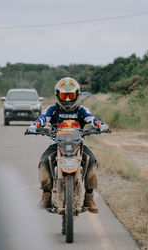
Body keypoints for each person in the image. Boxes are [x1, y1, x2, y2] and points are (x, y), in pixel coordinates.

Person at [27, 77, 109, 213]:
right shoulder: (52, 110)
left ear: (76, 95)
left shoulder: (81, 110)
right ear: (57, 95)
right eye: (64, 96)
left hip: (78, 144)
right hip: (56, 144)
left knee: (92, 162)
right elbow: (41, 119)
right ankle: (46, 196)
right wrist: (34, 126)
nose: (66, 100)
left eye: (70, 96)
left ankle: (89, 197)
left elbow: (92, 119)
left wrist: (101, 126)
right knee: (44, 162)